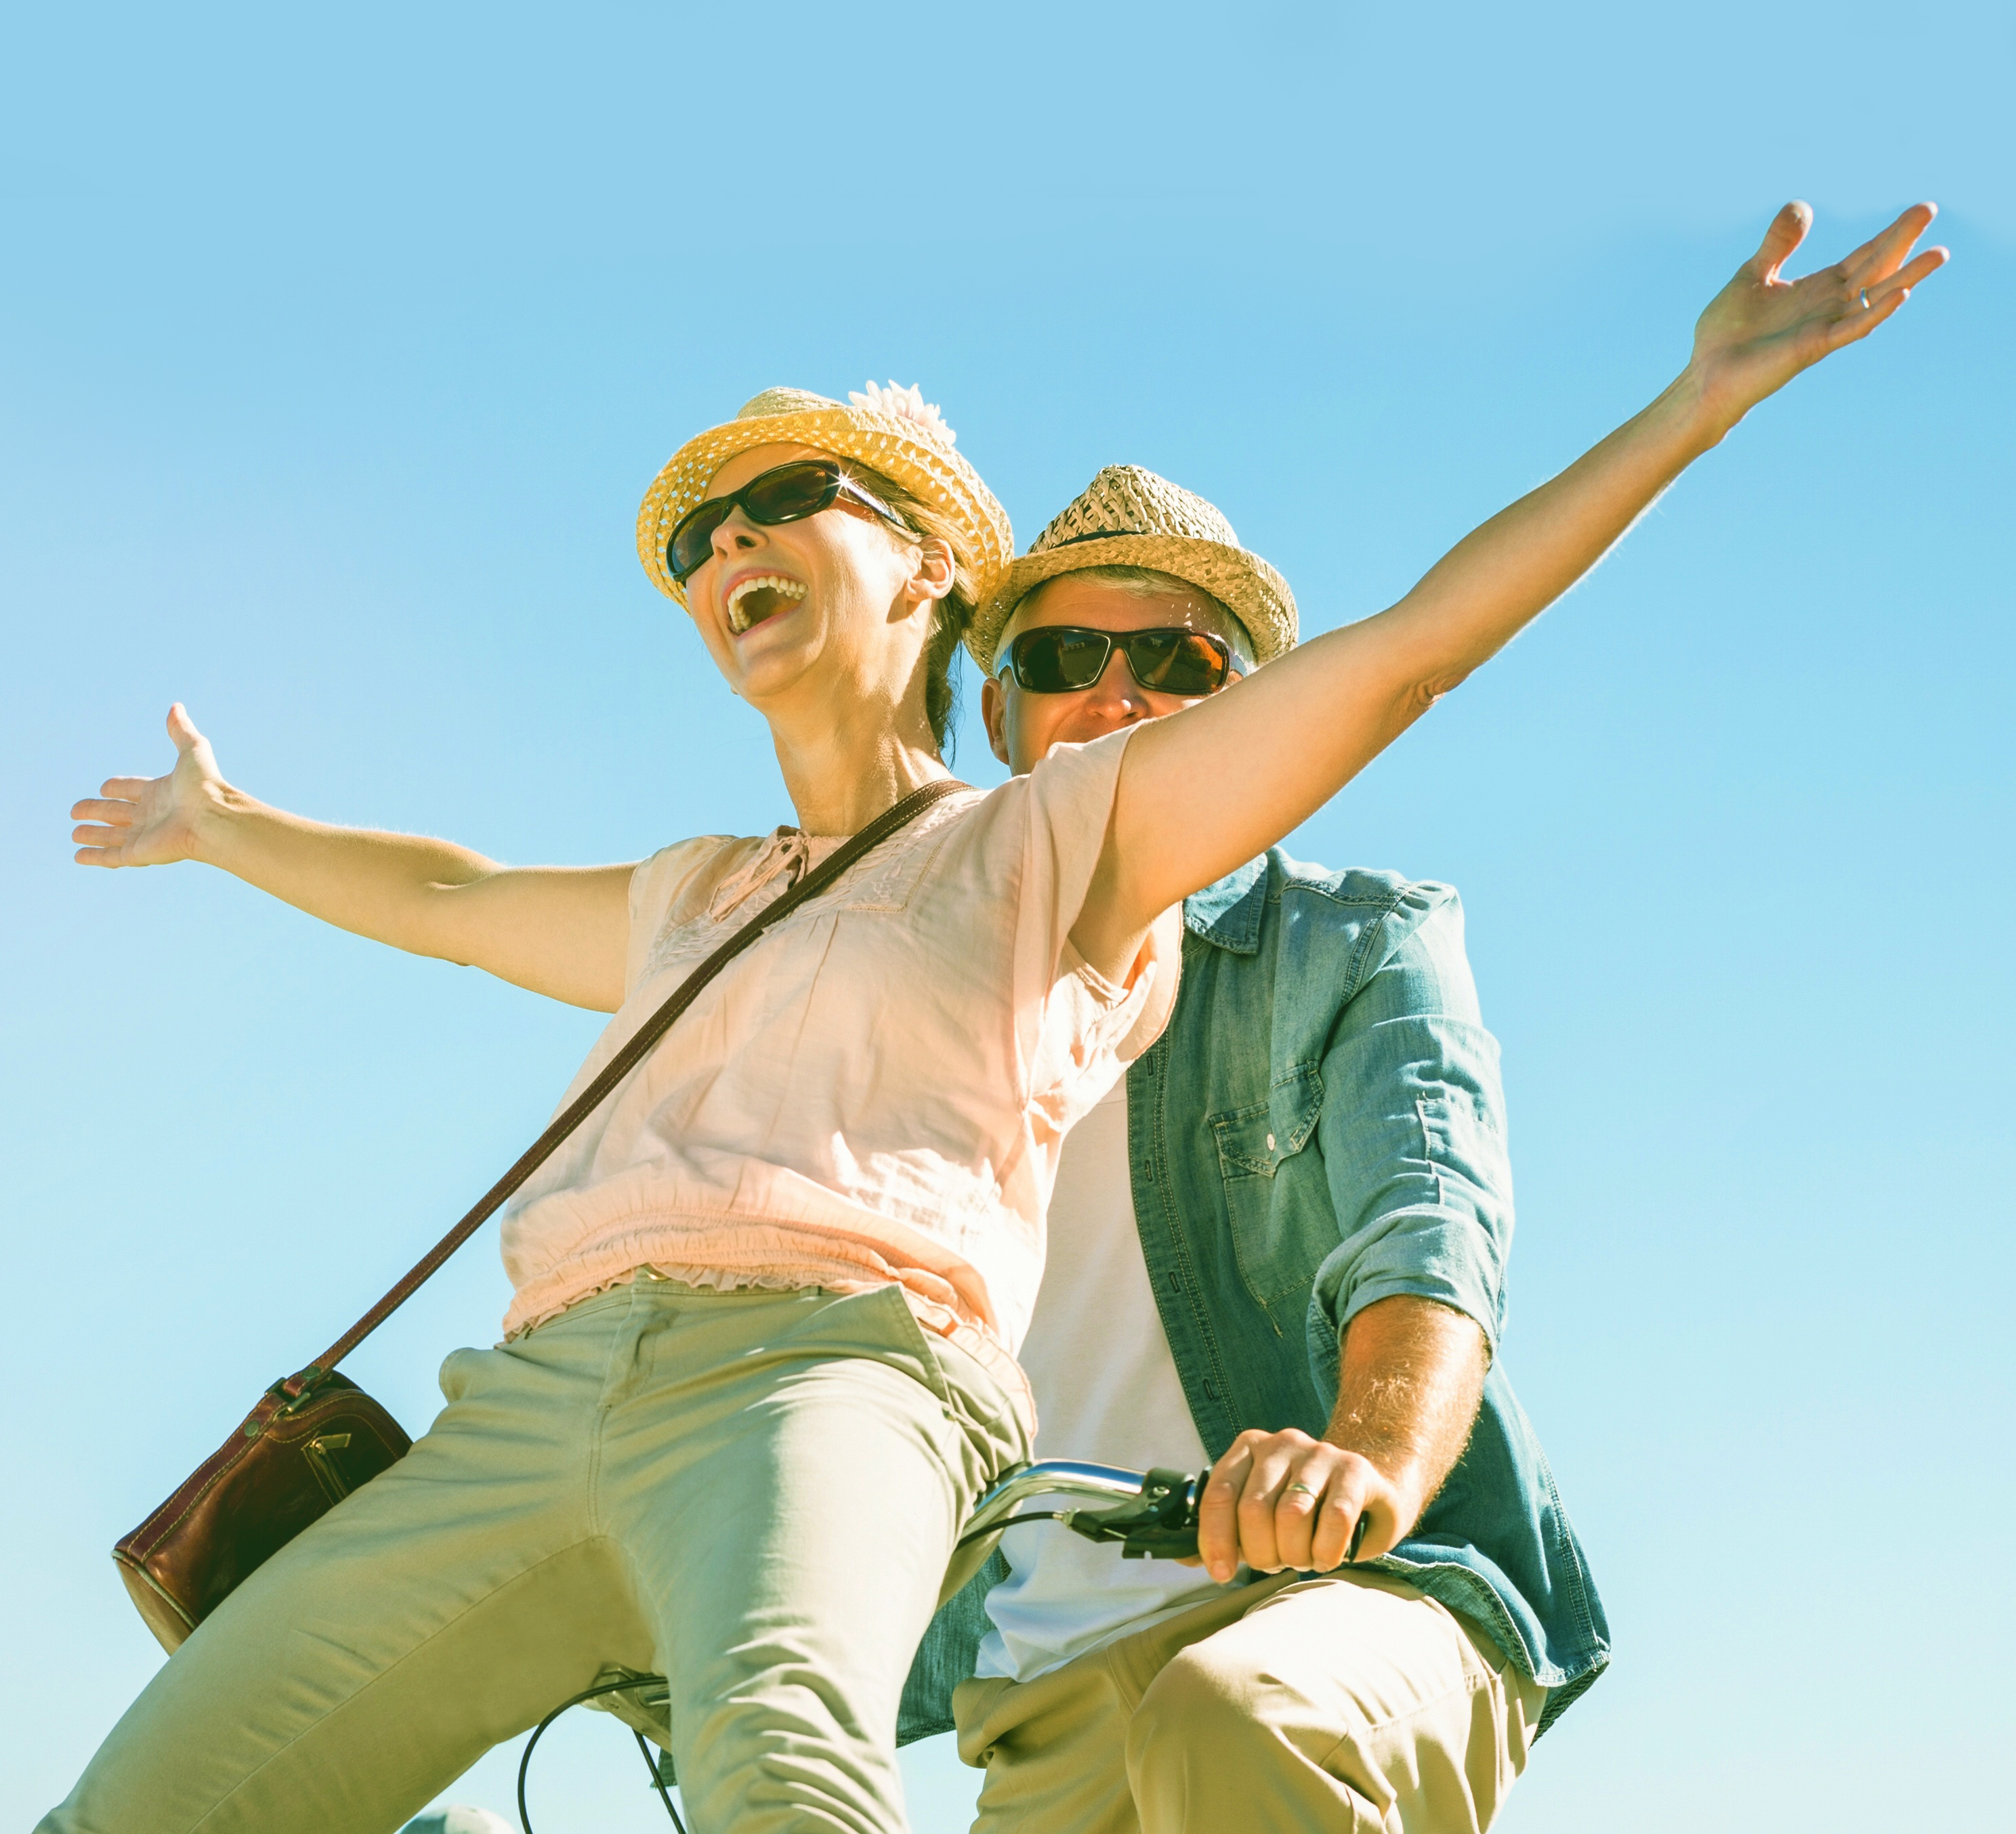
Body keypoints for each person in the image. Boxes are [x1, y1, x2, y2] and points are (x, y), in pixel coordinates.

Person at [49, 202, 1941, 1834]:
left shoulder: (1059, 846)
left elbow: (1410, 662)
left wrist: (1694, 403)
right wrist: (228, 828)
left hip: (834, 1375)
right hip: (547, 1392)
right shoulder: (701, 888)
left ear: (930, 564)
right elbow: (453, 899)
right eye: (707, 529)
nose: (733, 540)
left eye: (795, 496)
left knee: (792, 1768)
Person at [898, 462, 1603, 1833]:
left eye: (1177, 658)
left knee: (1234, 1714)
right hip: (1043, 1676)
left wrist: (1365, 1465)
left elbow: (1428, 1229)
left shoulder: (1359, 939)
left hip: (1347, 1599)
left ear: (1252, 712)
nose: (1120, 693)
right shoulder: (915, 1002)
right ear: (1000, 710)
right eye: (1065, 657)